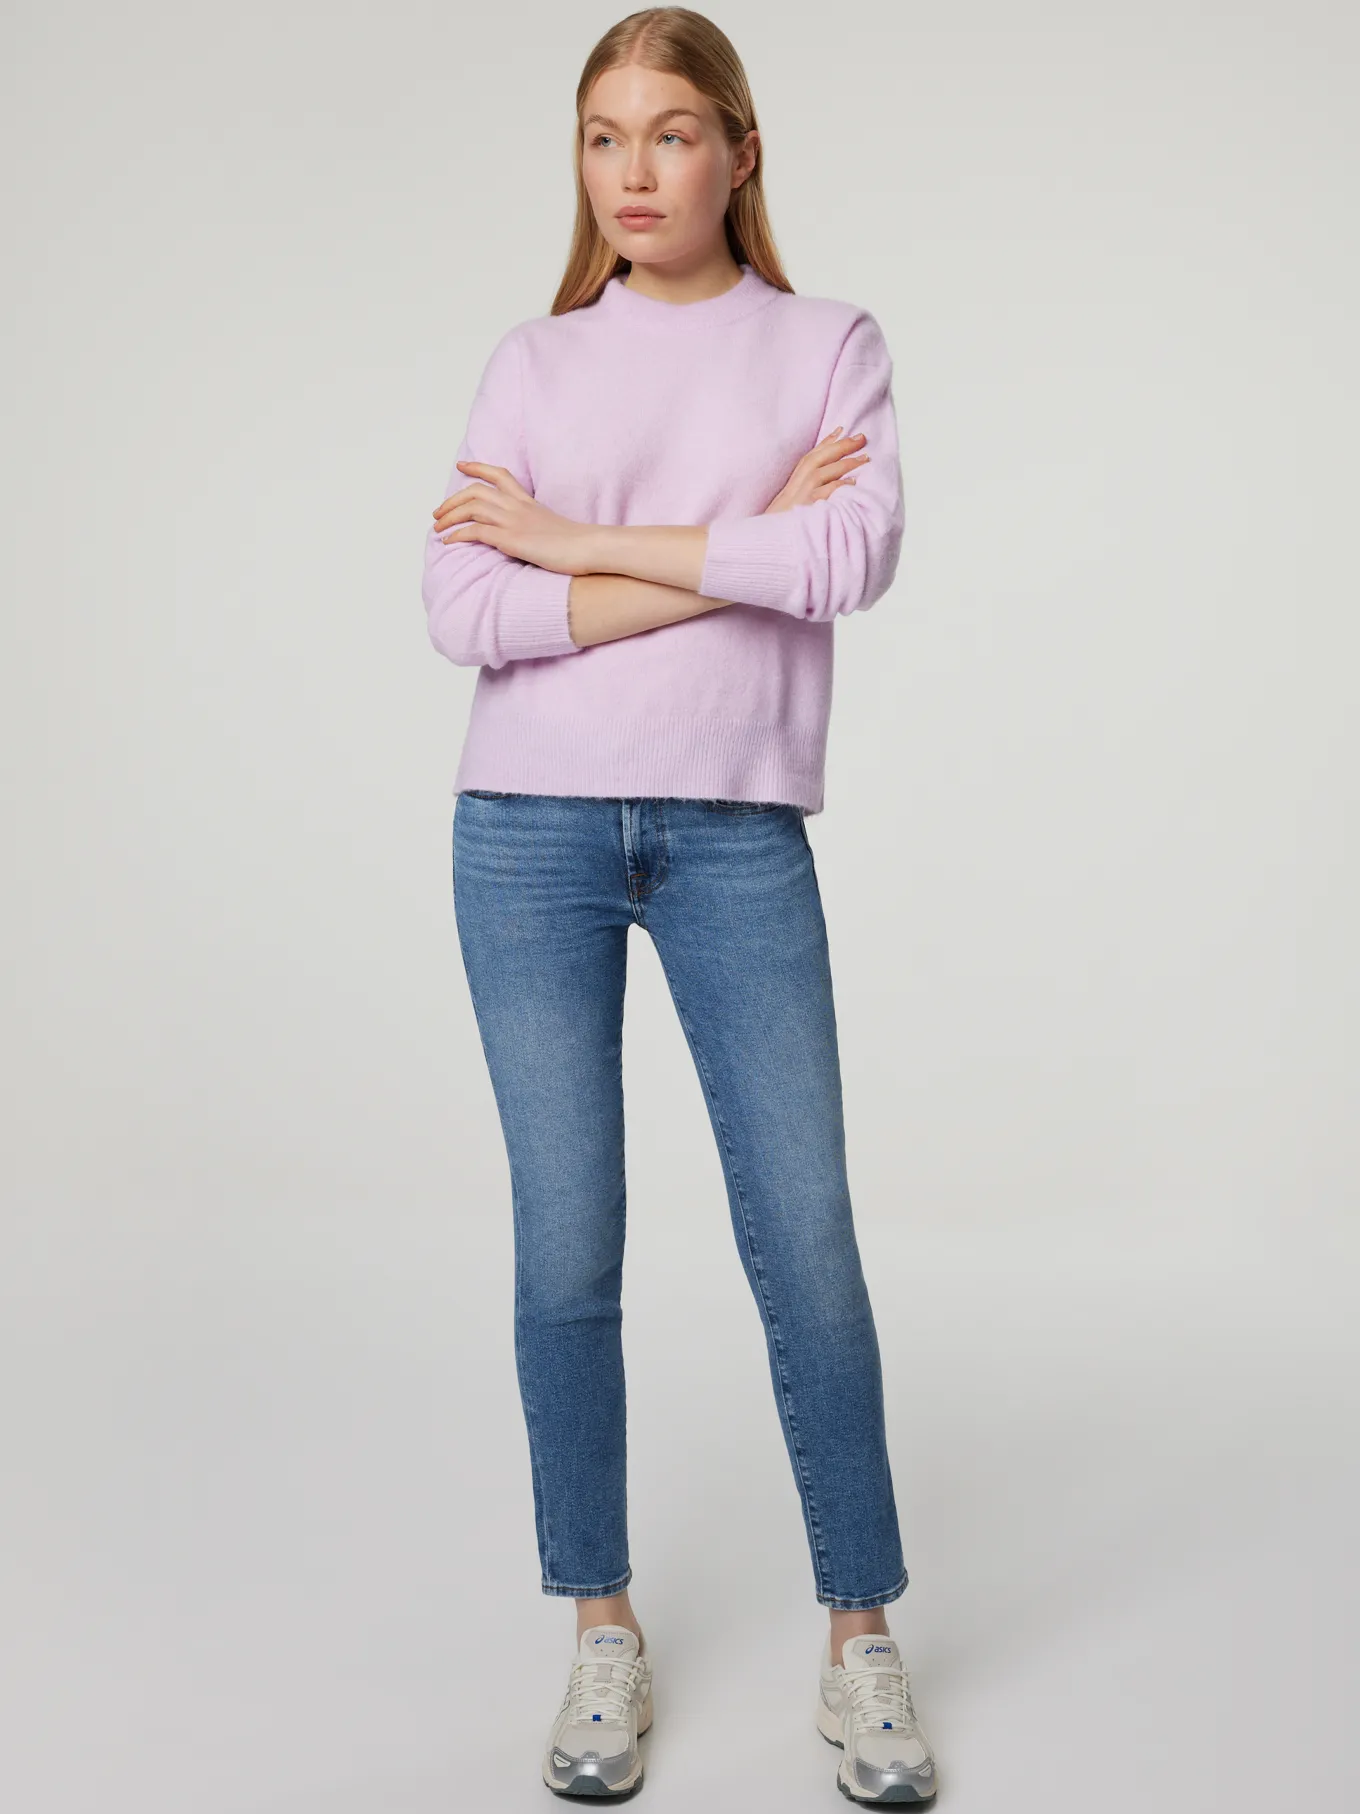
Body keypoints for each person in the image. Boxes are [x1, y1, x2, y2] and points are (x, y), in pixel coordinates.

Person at [421, 7, 938, 1803]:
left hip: (733, 833)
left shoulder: (827, 344)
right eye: (601, 138)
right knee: (568, 1247)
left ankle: (860, 1638)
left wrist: (577, 542)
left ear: (739, 151)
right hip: (526, 835)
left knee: (808, 1241)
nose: (631, 172)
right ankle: (601, 1624)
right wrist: (720, 553)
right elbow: (462, 609)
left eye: (668, 133)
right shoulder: (533, 363)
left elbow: (847, 555)